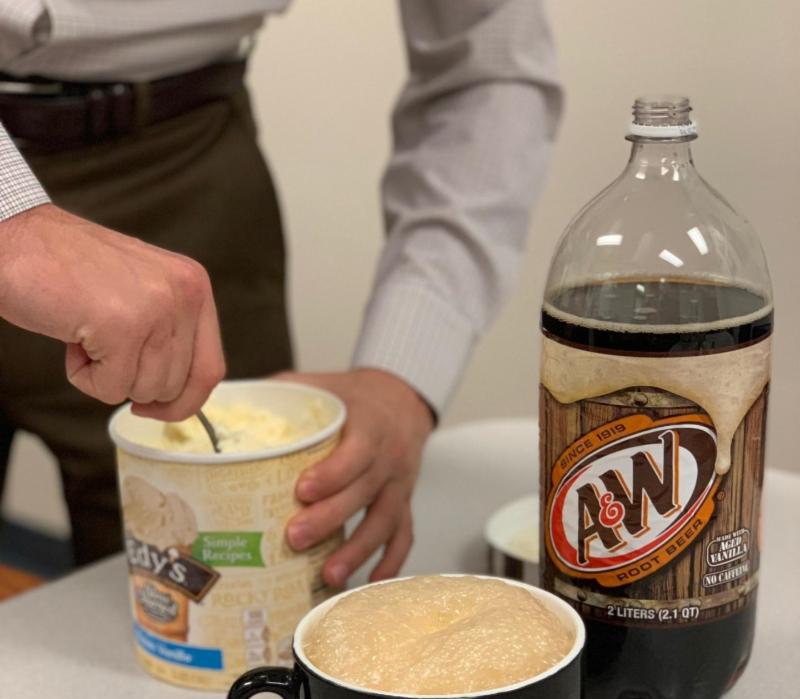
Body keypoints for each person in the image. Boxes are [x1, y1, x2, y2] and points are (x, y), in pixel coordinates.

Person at [0, 0, 560, 584]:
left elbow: (490, 60)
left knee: (221, 601)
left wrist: (404, 374)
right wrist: (12, 224)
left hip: (186, 168)